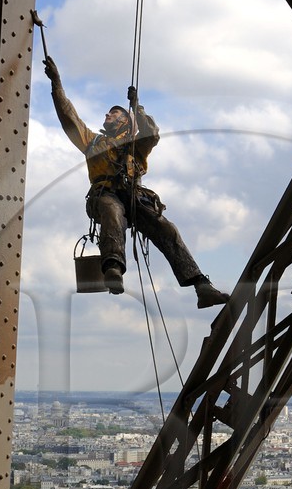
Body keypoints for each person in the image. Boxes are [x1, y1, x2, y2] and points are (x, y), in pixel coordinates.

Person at [44, 56, 229, 305]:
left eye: (114, 113)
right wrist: (57, 84)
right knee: (111, 212)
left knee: (166, 229)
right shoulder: (93, 142)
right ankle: (113, 268)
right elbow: (69, 117)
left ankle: (201, 286)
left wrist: (137, 107)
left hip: (134, 198)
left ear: (126, 122)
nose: (108, 114)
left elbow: (151, 133)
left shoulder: (135, 145)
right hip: (105, 195)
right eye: (109, 112)